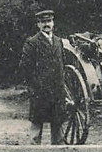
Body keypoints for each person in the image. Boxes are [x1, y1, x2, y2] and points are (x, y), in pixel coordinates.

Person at [18, 8, 67, 144]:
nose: (47, 24)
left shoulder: (58, 41)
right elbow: (25, 67)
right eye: (43, 22)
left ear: (53, 23)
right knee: (37, 123)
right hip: (40, 91)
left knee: (57, 123)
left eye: (49, 21)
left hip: (57, 90)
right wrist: (33, 86)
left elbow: (62, 64)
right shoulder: (32, 42)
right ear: (38, 25)